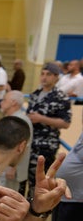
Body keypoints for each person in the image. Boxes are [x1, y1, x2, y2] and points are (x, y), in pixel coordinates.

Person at [27, 62, 71, 196]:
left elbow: (65, 123)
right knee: (28, 180)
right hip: (30, 144)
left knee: (42, 182)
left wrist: (41, 119)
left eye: (48, 74)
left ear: (56, 77)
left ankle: (39, 211)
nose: (44, 77)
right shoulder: (35, 94)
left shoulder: (60, 97)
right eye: (42, 74)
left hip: (46, 146)